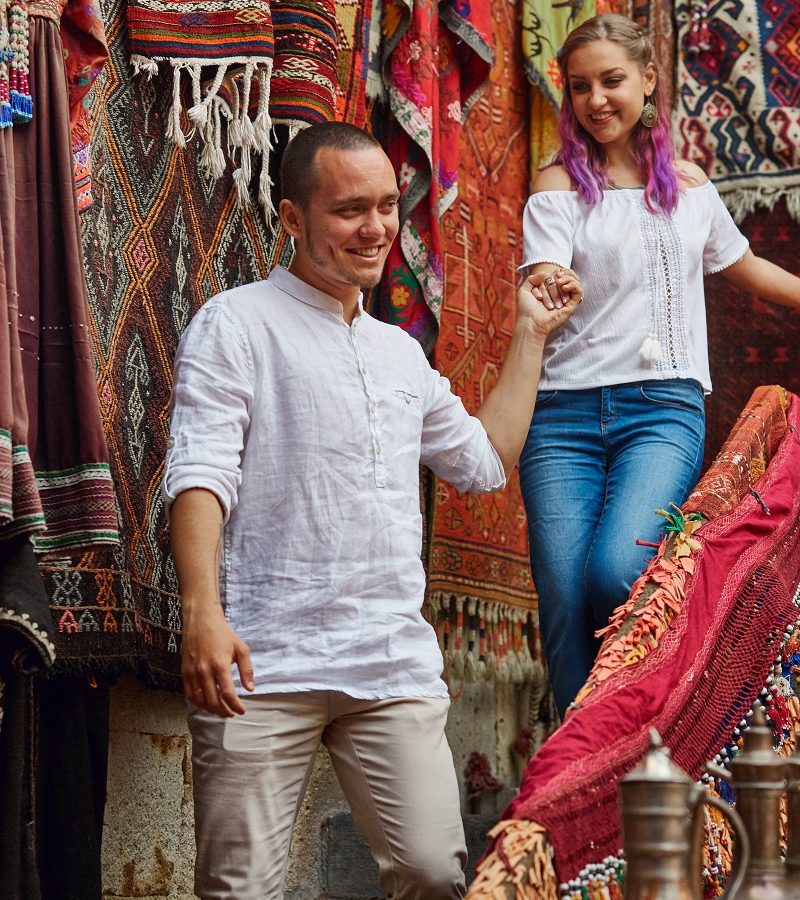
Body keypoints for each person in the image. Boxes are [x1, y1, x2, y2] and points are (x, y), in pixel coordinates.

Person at [162, 121, 582, 899]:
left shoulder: (398, 354)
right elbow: (200, 469)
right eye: (351, 209)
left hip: (389, 660)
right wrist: (202, 612)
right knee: (239, 889)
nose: (378, 228)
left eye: (388, 205)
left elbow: (484, 462)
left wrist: (528, 332)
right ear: (292, 218)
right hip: (262, 659)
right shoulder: (237, 322)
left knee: (432, 872)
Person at [517, 13, 800, 720]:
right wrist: (554, 282)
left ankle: (640, 731)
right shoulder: (557, 185)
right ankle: (575, 779)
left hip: (661, 410)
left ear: (649, 80)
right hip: (560, 416)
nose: (596, 100)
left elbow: (749, 268)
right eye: (579, 87)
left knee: (617, 573)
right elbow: (543, 269)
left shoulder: (692, 191)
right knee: (560, 594)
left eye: (612, 81)